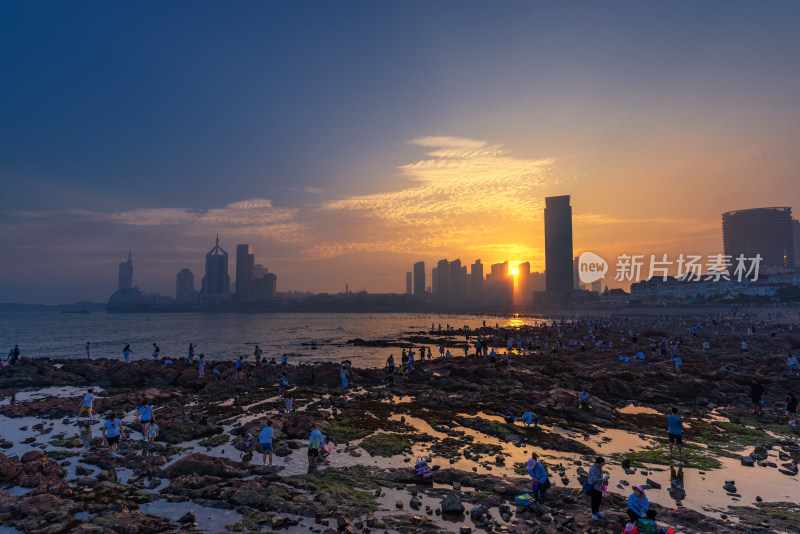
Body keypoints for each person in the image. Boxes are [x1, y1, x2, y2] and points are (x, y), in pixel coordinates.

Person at [587, 456, 609, 521]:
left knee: (599, 499)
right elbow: (595, 479)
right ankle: (593, 513)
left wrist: (604, 482)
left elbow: (600, 476)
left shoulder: (599, 467)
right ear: (597, 463)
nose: (602, 465)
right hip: (593, 486)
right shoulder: (592, 468)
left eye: (603, 464)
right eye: (602, 464)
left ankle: (597, 511)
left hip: (599, 487)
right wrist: (604, 479)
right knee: (594, 500)